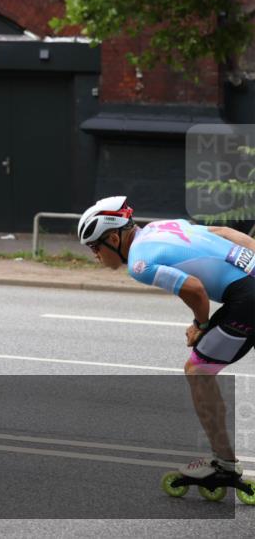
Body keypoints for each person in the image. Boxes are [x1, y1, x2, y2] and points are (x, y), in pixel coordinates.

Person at [78, 196, 254, 482]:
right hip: (248, 287)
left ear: (112, 238)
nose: (95, 256)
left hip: (247, 299)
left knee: (198, 371)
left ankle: (223, 464)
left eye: (95, 247)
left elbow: (195, 289)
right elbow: (222, 232)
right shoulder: (162, 226)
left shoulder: (139, 264)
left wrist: (201, 324)